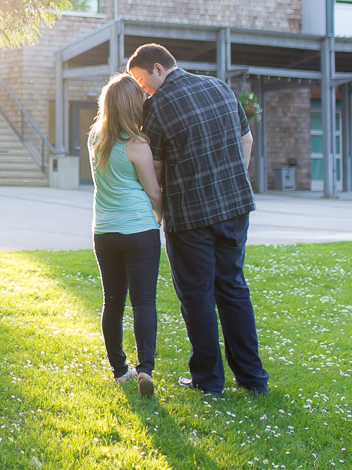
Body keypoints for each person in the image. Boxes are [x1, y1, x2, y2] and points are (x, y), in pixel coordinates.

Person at [127, 43, 269, 396]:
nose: (143, 90)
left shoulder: (157, 107)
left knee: (197, 296)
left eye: (143, 81)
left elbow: (156, 169)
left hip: (190, 216)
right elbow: (246, 139)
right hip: (235, 207)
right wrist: (235, 178)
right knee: (233, 288)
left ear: (158, 69)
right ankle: (252, 379)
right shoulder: (220, 86)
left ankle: (208, 381)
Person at [88, 72, 163, 398]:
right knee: (143, 300)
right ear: (135, 104)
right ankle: (145, 368)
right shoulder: (138, 144)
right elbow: (155, 193)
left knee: (113, 301)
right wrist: (158, 219)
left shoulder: (95, 137)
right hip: (138, 230)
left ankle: (120, 370)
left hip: (104, 231)